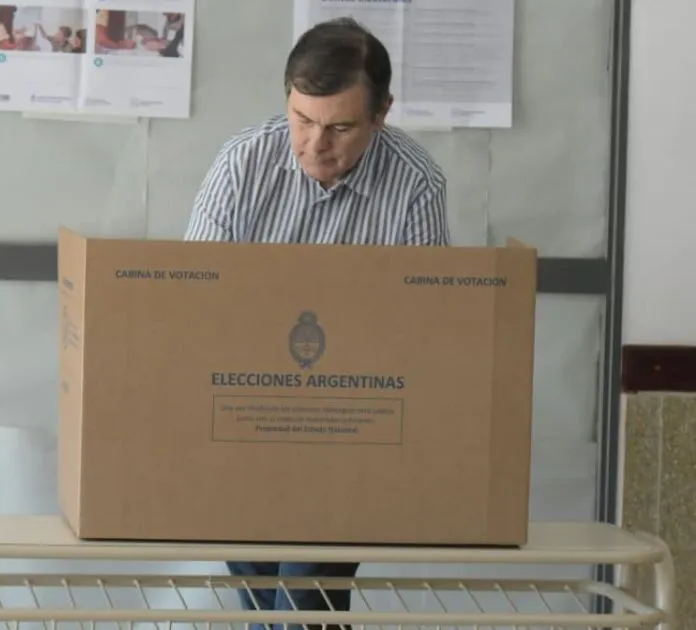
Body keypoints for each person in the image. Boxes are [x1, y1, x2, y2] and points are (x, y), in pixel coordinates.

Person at [182, 17, 450, 630]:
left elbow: (424, 330)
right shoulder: (243, 163)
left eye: (339, 128)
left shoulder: (415, 184)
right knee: (265, 600)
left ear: (381, 114)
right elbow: (193, 303)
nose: (313, 144)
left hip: (348, 424)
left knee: (303, 599)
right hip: (245, 416)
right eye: (301, 120)